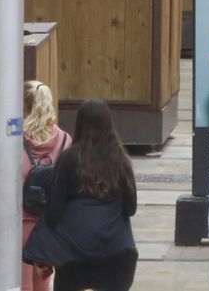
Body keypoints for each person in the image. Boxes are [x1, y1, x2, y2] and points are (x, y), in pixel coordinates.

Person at [23, 99, 139, 291]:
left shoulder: (69, 159)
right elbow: (131, 208)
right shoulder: (121, 160)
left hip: (72, 253)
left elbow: (54, 212)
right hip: (117, 252)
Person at [22, 80, 73, 291]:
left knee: (21, 284)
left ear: (23, 106)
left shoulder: (13, 138)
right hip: (50, 225)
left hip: (20, 222)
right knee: (43, 284)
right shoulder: (65, 141)